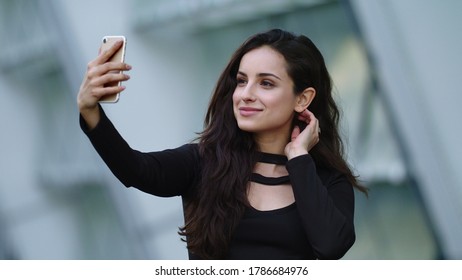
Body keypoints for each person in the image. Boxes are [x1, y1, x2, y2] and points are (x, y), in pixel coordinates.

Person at [78, 29, 367, 260]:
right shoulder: (204, 162)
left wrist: (298, 158)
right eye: (242, 81)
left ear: (302, 99)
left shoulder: (327, 181)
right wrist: (90, 111)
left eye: (266, 83)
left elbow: (331, 247)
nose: (246, 94)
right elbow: (135, 169)